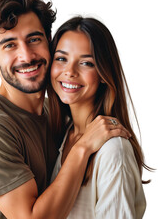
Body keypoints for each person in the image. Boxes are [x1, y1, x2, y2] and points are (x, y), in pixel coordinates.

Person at [0, 0, 129, 219]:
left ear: (49, 42)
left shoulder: (58, 115)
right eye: (10, 45)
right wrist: (82, 147)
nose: (26, 56)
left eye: (34, 39)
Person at [48, 16, 152, 218]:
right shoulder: (63, 132)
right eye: (61, 59)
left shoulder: (113, 150)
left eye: (86, 63)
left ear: (104, 73)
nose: (69, 71)